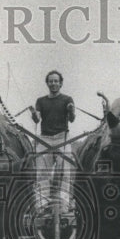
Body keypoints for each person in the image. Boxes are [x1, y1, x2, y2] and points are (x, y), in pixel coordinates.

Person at [30, 70, 75, 211]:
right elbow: (37, 119)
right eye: (51, 81)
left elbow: (72, 119)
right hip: (45, 140)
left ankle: (64, 205)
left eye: (56, 81)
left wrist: (71, 110)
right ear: (47, 83)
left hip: (63, 138)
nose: (53, 83)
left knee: (65, 172)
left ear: (61, 83)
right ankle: (42, 205)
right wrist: (33, 114)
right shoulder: (41, 101)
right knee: (42, 172)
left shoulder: (67, 99)